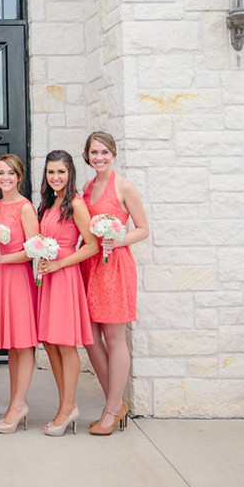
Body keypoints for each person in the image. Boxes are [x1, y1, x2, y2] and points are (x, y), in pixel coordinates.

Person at [81, 131, 150, 436]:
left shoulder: (123, 186)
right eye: (94, 153)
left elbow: (144, 229)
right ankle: (116, 402)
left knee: (114, 335)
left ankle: (111, 409)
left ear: (113, 154)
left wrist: (118, 239)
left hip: (116, 265)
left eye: (104, 153)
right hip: (90, 265)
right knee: (90, 337)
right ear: (88, 155)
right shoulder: (86, 187)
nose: (99, 158)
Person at [36, 149, 98, 436]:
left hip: (64, 275)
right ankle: (66, 404)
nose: (55, 177)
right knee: (49, 342)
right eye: (51, 172)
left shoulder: (75, 204)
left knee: (64, 343)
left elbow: (91, 245)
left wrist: (60, 262)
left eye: (60, 172)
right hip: (47, 276)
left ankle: (67, 408)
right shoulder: (49, 203)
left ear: (70, 173)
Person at [0, 154, 39, 433]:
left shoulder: (25, 207)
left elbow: (33, 249)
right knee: (11, 346)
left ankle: (19, 405)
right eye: (1, 173)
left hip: (16, 277)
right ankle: (14, 403)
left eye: (10, 173)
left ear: (19, 177)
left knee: (23, 342)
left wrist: (4, 260)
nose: (6, 178)